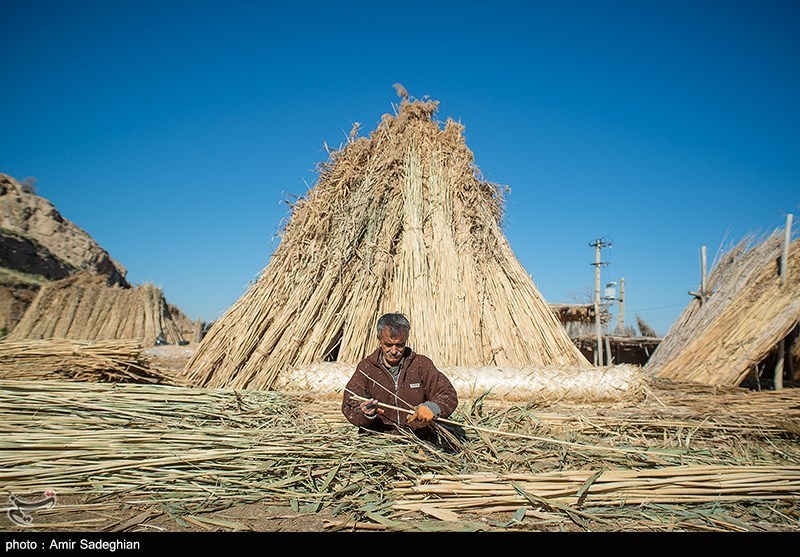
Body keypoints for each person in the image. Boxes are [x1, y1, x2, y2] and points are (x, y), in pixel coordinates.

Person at [341, 313, 459, 444]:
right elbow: (350, 403)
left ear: (406, 340)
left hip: (419, 440)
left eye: (399, 345)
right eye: (388, 344)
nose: (394, 350)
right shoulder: (366, 368)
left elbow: (448, 395)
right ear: (379, 339)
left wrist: (433, 408)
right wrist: (364, 413)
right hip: (378, 442)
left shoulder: (421, 365)